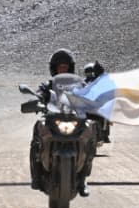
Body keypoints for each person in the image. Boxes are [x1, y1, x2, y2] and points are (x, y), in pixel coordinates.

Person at [30, 48, 95, 196]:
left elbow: (89, 93)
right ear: (54, 68)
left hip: (74, 118)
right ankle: (36, 175)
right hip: (54, 117)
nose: (63, 69)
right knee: (38, 128)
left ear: (70, 67)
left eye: (65, 66)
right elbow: (39, 93)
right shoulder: (48, 84)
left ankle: (83, 178)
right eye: (60, 67)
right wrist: (37, 100)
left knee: (91, 130)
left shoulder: (80, 84)